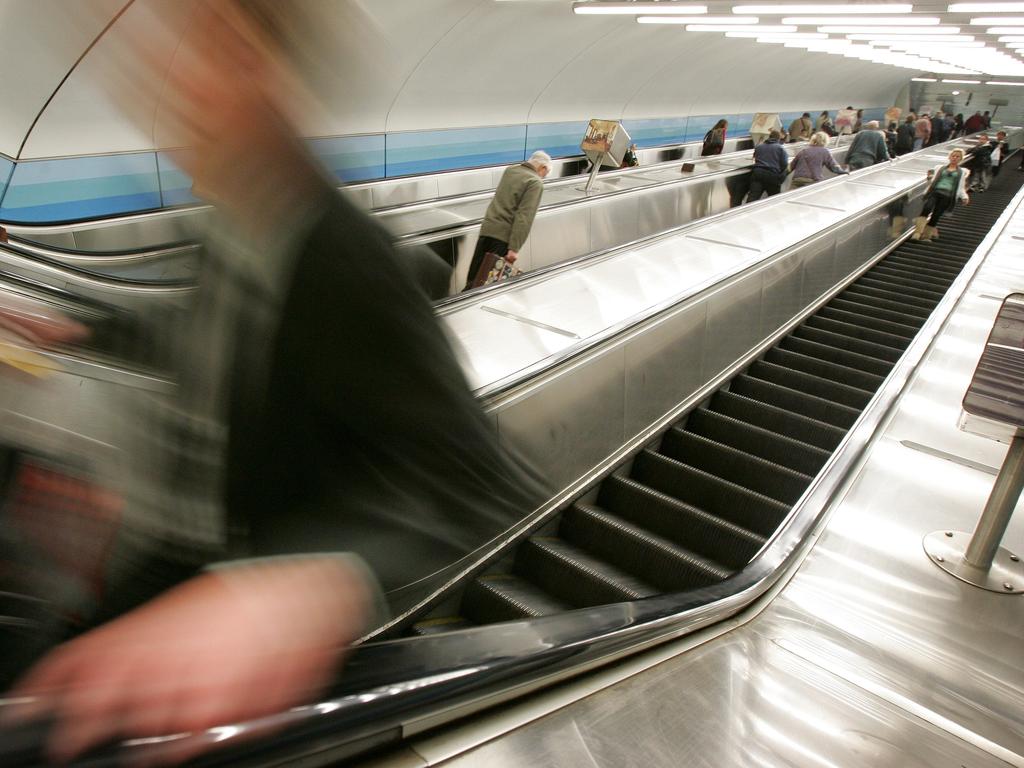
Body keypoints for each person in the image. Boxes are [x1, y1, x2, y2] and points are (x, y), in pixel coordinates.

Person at [0, 1, 544, 763]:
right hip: (176, 562)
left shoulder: (345, 258)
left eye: (209, 54)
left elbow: (482, 481)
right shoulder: (235, 221)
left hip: (246, 599)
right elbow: (203, 333)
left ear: (272, 76)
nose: (170, 83)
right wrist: (74, 325)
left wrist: (304, 590)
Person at [464, 150, 551, 290]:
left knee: (473, 279)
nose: (543, 177)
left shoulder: (510, 171)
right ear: (543, 168)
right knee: (488, 285)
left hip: (487, 230)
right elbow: (524, 216)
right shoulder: (535, 182)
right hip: (502, 238)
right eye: (545, 175)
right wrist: (514, 248)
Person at [912, 148, 971, 242]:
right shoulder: (939, 167)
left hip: (947, 196)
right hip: (935, 192)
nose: (954, 158)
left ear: (961, 159)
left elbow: (961, 187)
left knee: (936, 215)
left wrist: (964, 197)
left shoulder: (962, 172)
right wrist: (929, 177)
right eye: (953, 156)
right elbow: (932, 177)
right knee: (926, 209)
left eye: (957, 157)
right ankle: (917, 233)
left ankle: (926, 236)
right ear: (949, 157)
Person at [745, 129, 789, 203]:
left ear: (769, 136)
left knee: (752, 198)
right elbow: (784, 164)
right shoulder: (780, 148)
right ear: (778, 138)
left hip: (757, 173)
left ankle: (745, 212)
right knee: (774, 199)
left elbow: (755, 158)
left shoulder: (759, 147)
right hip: (772, 175)